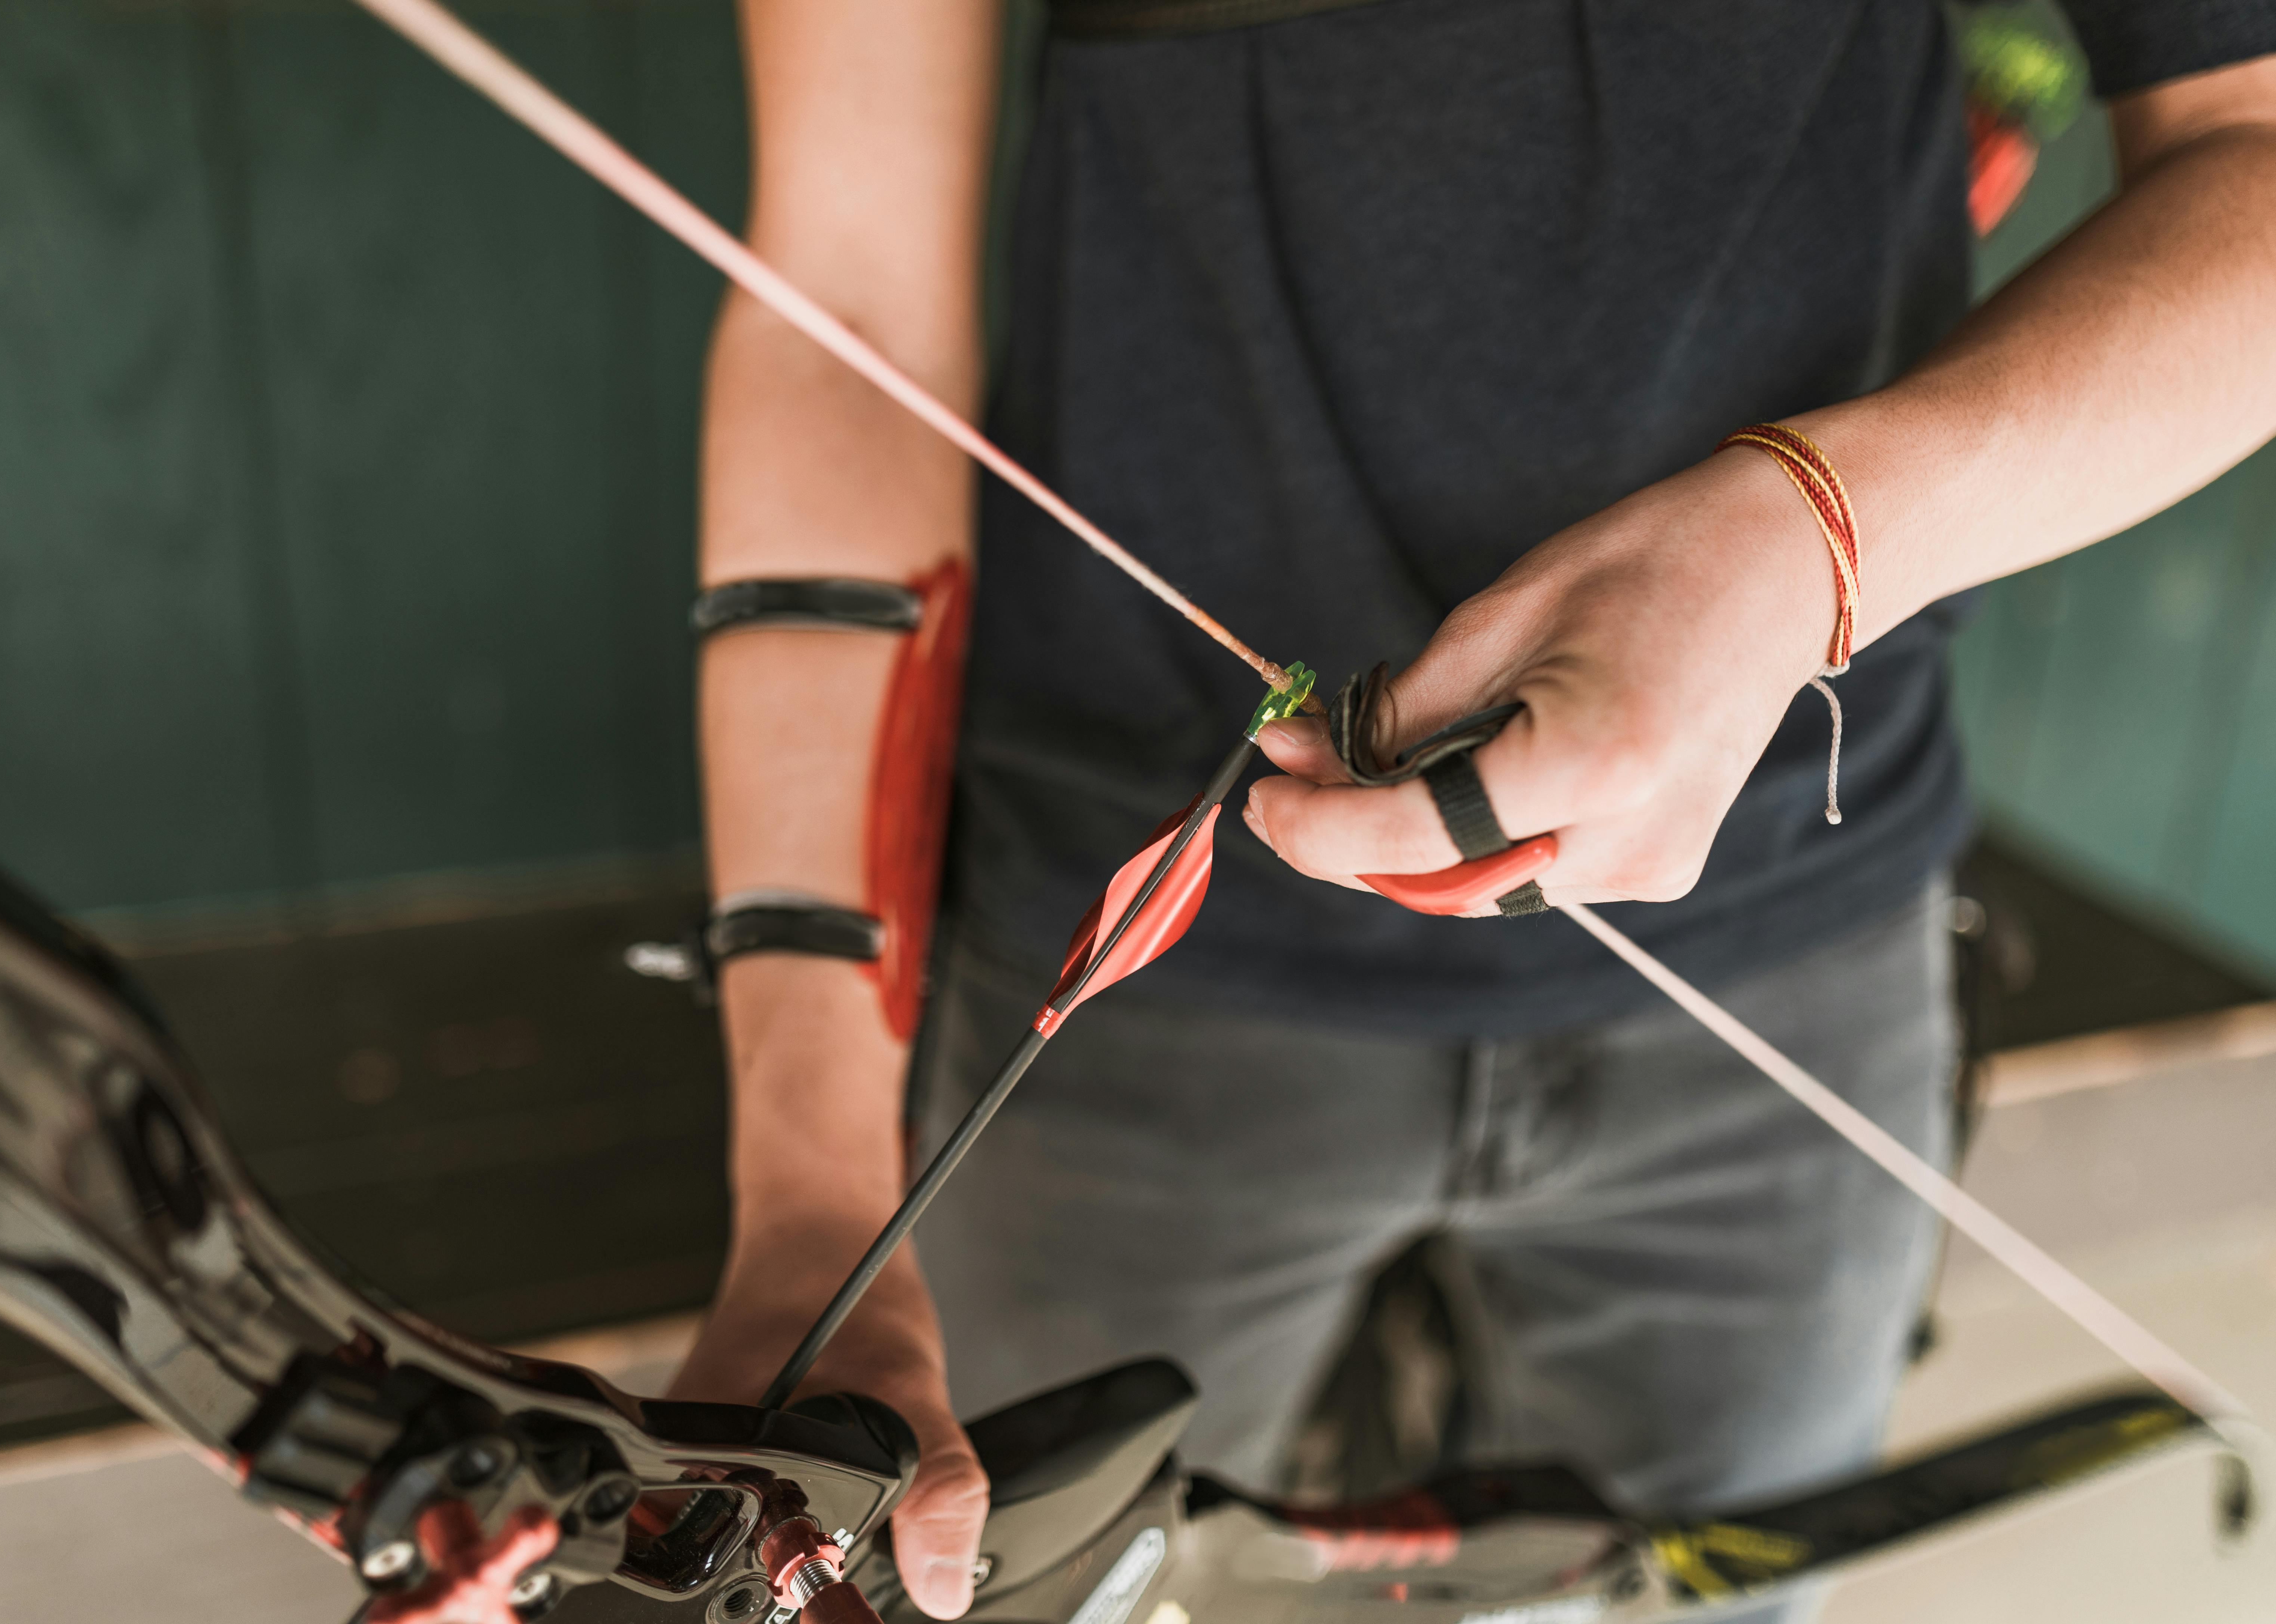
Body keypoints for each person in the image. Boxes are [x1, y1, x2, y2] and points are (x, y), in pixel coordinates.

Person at [667, 3, 2276, 1618]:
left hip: (1795, 950)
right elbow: (846, 303)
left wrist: (1812, 544)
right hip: (1137, 982)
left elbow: (2247, 154)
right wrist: (814, 1199)